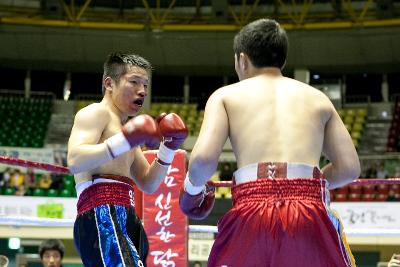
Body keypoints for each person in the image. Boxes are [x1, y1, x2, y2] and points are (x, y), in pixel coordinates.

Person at [179, 19, 360, 266]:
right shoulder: (318, 99)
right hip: (309, 210)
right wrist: (308, 184)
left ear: (242, 60)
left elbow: (203, 160)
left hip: (251, 209)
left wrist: (192, 189)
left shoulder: (226, 96)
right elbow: (350, 168)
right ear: (282, 61)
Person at [67, 52, 188, 267]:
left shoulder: (126, 130)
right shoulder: (96, 113)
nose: (142, 91)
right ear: (109, 83)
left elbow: (148, 184)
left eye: (145, 84)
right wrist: (124, 141)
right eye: (134, 82)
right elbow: (75, 160)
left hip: (127, 214)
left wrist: (168, 148)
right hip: (101, 212)